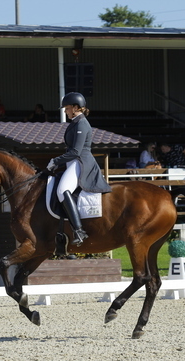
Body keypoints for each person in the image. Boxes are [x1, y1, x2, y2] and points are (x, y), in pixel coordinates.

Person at [45, 92, 112, 246]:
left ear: (75, 107)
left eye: (67, 108)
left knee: (62, 191)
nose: (65, 111)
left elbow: (75, 151)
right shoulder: (75, 122)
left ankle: (79, 230)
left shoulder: (81, 124)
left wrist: (56, 161)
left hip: (81, 162)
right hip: (73, 162)